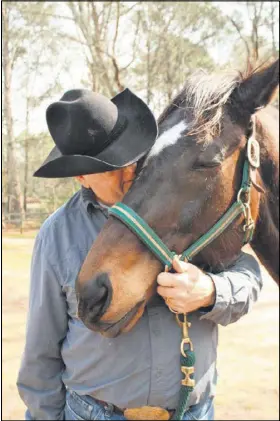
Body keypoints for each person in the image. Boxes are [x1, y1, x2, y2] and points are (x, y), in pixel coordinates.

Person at [17, 88, 263, 421]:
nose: (128, 171)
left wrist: (210, 291)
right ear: (80, 176)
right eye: (109, 167)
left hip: (193, 411)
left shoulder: (179, 205)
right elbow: (41, 353)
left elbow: (246, 271)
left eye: (129, 155)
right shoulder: (57, 235)